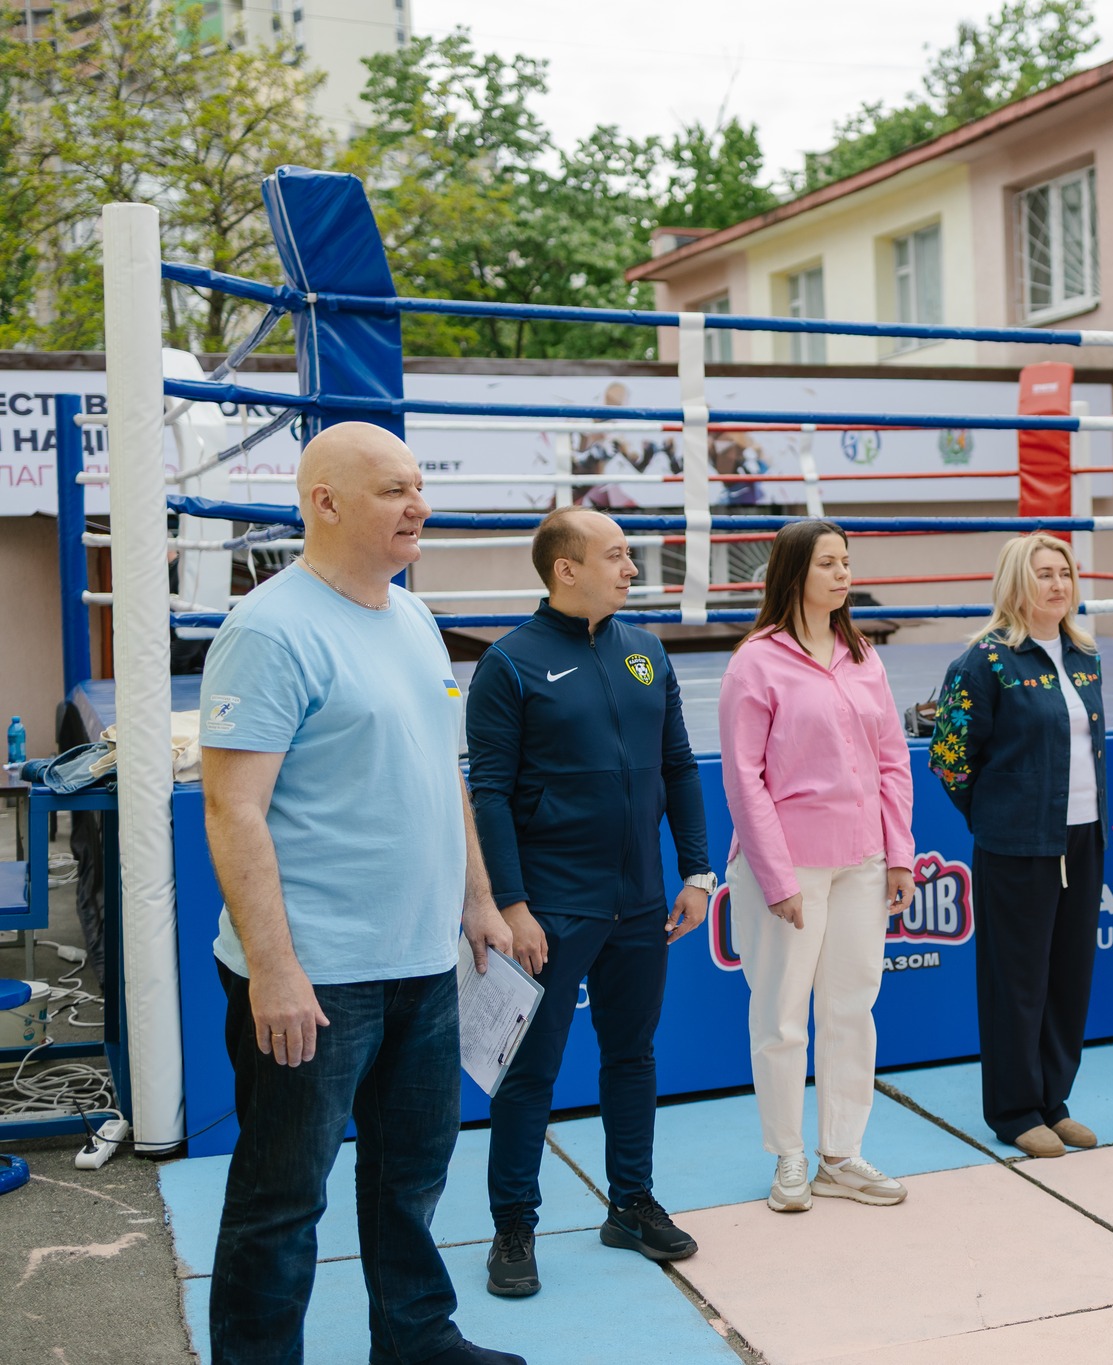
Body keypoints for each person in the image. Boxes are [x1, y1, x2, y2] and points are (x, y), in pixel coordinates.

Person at [198, 422, 522, 1365]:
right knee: (282, 1198)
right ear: (325, 502)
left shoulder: (413, 618)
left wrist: (477, 898)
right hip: (317, 974)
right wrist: (274, 969)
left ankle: (415, 1338)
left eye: (419, 486)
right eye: (394, 490)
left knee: (411, 1174)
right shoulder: (269, 630)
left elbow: (442, 772)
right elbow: (232, 809)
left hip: (423, 960)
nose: (419, 505)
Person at [465, 506, 714, 1297]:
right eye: (615, 555)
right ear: (565, 568)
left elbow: (679, 766)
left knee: (632, 1055)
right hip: (552, 907)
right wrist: (512, 904)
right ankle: (513, 1226)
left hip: (639, 903)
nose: (632, 568)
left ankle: (630, 1203)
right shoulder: (509, 663)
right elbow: (489, 792)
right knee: (529, 1071)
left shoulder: (646, 651)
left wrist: (698, 871)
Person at [719, 519, 915, 1211]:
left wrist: (898, 853)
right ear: (793, 571)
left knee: (851, 1008)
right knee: (781, 1015)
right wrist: (776, 878)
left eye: (846, 562)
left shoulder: (863, 655)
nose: (842, 574)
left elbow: (892, 759)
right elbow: (743, 779)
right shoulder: (756, 662)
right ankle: (789, 1156)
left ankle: (840, 1154)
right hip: (789, 865)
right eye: (828, 562)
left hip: (862, 860)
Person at [930, 533, 1106, 1158]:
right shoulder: (984, 662)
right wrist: (996, 815)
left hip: (1083, 837)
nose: (1058, 585)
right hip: (1017, 847)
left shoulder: (1084, 655)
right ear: (1016, 584)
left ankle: (1053, 1101)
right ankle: (1014, 1110)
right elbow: (949, 758)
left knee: (1068, 978)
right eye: (1043, 574)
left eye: (1065, 573)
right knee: (1018, 983)